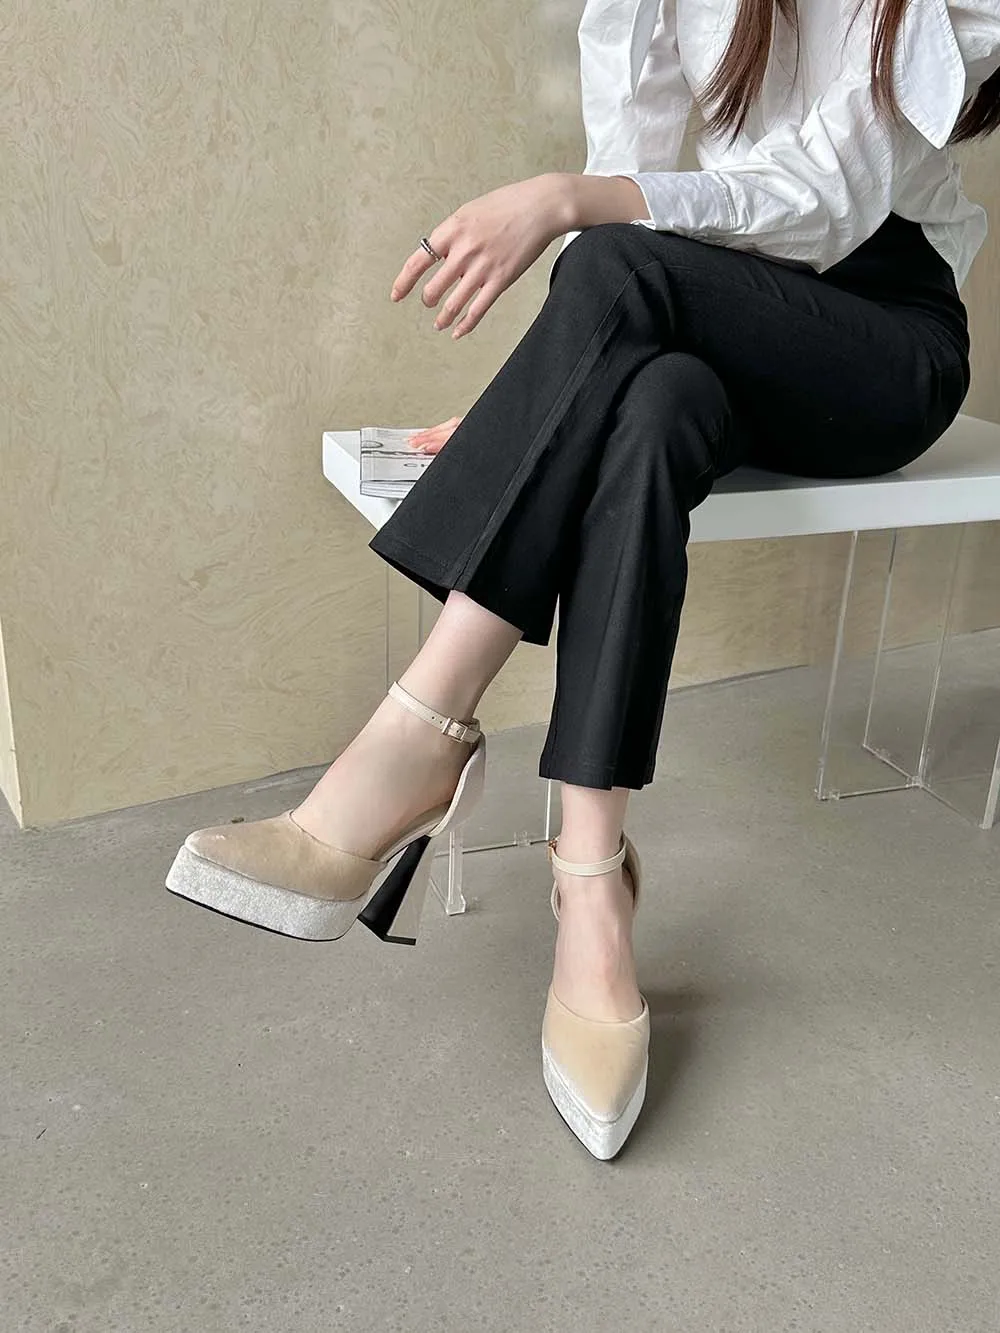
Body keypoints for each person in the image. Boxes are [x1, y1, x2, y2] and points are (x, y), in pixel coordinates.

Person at [166, 0, 1000, 1160]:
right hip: (714, 294)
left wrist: (567, 202)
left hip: (883, 340)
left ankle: (418, 734)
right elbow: (637, 153)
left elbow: (818, 200)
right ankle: (592, 887)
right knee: (650, 406)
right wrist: (551, 396)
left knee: (611, 254)